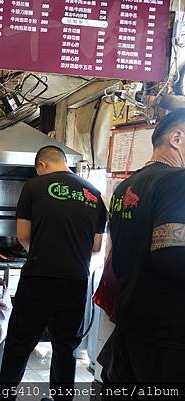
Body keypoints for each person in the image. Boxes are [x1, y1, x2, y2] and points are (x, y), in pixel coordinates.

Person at [0, 146, 107, 401]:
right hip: (76, 279)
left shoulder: (33, 187)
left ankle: (4, 397)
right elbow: (97, 246)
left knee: (20, 342)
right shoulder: (95, 194)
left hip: (39, 277)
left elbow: (23, 237)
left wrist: (45, 248)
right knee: (66, 346)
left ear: (42, 165)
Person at [98, 110, 185, 387]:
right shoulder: (177, 180)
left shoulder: (125, 187)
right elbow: (171, 256)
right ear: (176, 137)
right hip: (166, 332)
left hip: (131, 319)